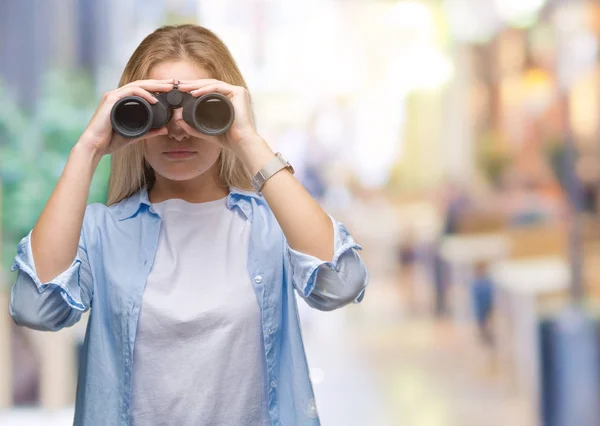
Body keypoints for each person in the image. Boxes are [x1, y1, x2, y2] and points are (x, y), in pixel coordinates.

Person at [9, 25, 368, 426]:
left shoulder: (272, 226)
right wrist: (88, 149)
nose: (178, 127)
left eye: (201, 107)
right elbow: (35, 308)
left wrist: (247, 140)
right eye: (156, 108)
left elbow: (340, 283)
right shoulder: (101, 231)